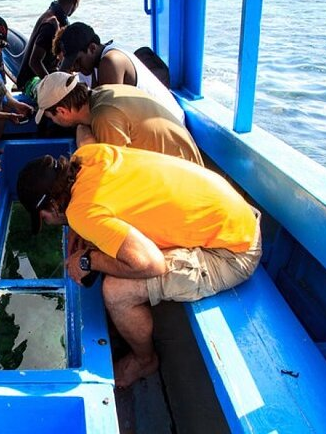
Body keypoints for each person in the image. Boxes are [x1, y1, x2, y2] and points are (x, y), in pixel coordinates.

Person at [17, 144, 261, 388]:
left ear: (53, 205)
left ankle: (144, 360)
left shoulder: (82, 211)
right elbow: (104, 202)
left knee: (116, 291)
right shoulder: (86, 157)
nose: (49, 223)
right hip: (235, 215)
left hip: (232, 252)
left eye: (45, 218)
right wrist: (82, 231)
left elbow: (149, 264)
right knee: (110, 249)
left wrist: (87, 260)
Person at [34, 71, 203, 165]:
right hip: (184, 162)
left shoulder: (105, 118)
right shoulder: (103, 92)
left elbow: (115, 173)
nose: (53, 122)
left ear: (62, 111)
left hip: (183, 176)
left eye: (51, 116)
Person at [55, 22, 185, 123]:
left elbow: (107, 115)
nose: (75, 68)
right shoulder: (91, 65)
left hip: (170, 124)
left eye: (77, 61)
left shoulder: (111, 61)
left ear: (92, 48)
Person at [15, 0, 84, 94]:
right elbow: (34, 61)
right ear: (76, 1)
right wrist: (53, 85)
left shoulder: (59, 18)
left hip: (47, 74)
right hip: (30, 81)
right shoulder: (51, 24)